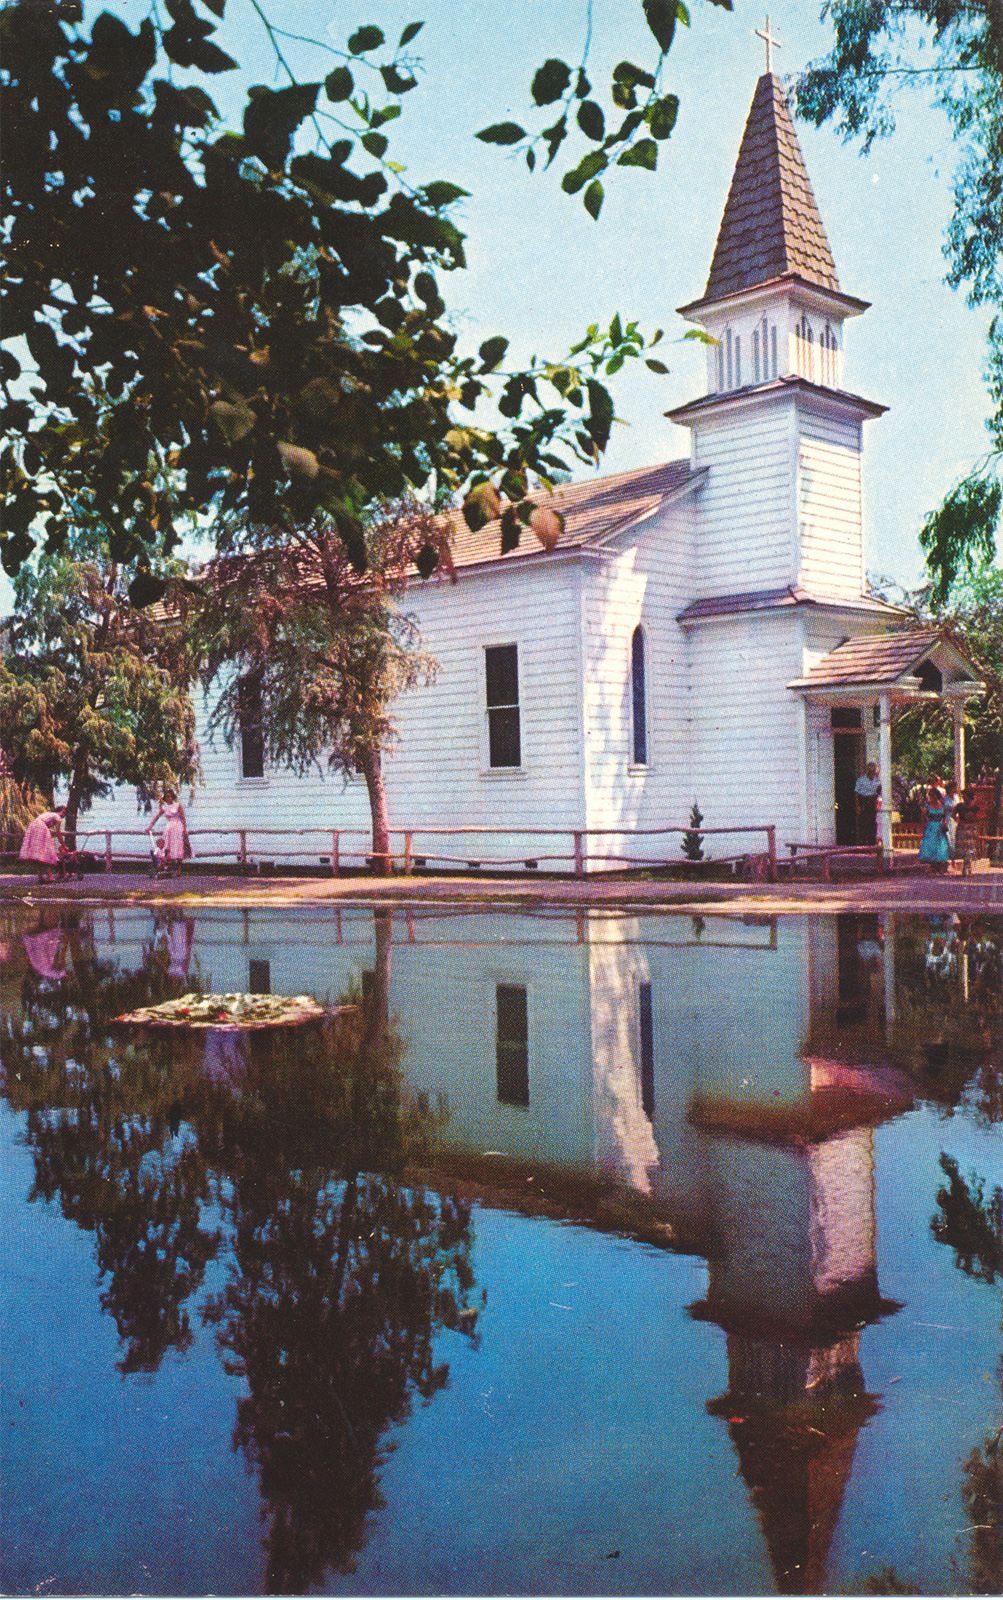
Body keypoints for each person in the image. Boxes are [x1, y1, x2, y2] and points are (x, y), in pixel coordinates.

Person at [145, 789, 190, 878]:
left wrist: (184, 829)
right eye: (166, 797)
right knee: (166, 848)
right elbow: (157, 817)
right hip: (169, 828)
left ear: (172, 797)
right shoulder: (164, 807)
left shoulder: (178, 806)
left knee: (178, 847)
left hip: (178, 827)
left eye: (169, 796)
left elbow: (183, 818)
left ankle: (179, 870)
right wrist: (150, 826)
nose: (168, 798)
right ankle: (165, 868)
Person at [18, 805, 65, 884]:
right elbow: (58, 832)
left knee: (37, 853)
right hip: (40, 827)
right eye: (63, 812)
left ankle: (40, 877)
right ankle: (49, 876)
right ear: (59, 811)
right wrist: (63, 844)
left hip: (33, 826)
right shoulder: (56, 816)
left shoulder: (48, 814)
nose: (64, 814)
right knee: (45, 851)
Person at [917, 779, 951, 873]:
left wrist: (945, 823)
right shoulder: (927, 806)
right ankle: (933, 865)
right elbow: (923, 817)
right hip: (931, 827)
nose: (931, 797)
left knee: (941, 846)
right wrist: (923, 826)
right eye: (930, 795)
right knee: (931, 845)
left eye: (933, 795)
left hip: (940, 827)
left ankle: (940, 865)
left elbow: (945, 816)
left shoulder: (942, 805)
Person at [854, 762, 881, 846]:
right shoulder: (861, 780)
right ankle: (862, 845)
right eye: (870, 769)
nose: (872, 771)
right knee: (863, 824)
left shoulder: (877, 781)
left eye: (874, 769)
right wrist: (857, 806)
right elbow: (856, 794)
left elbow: (878, 792)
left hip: (872, 802)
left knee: (872, 824)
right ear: (867, 770)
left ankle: (871, 844)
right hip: (864, 801)